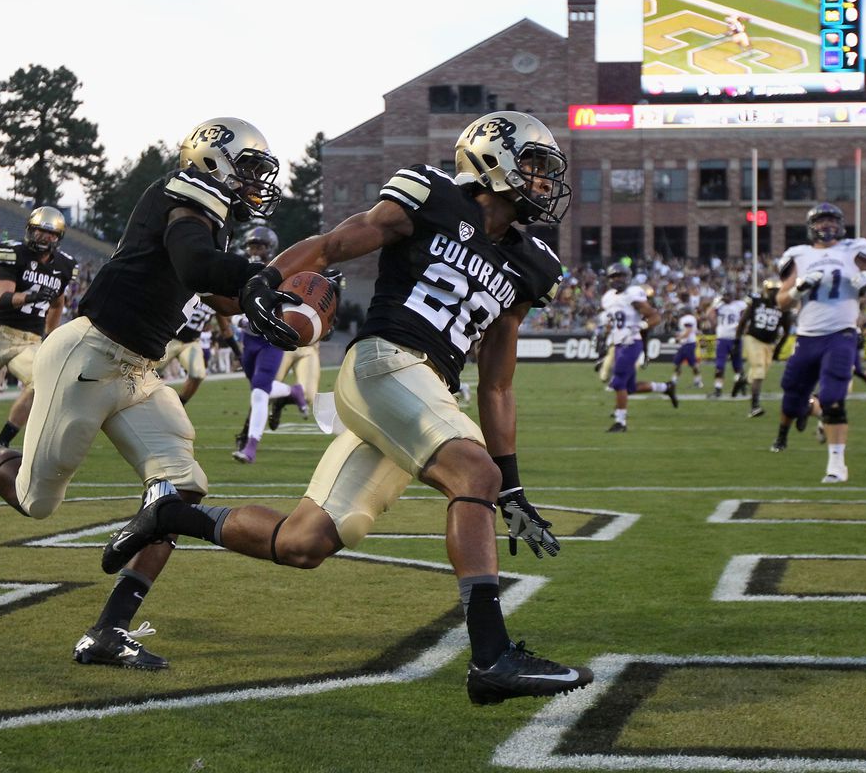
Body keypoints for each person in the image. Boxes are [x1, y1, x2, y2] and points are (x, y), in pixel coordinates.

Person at [101, 110, 593, 705]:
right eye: (537, 168)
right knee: (474, 472)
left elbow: (498, 386)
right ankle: (492, 658)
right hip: (384, 363)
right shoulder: (431, 195)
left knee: (303, 543)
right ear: (494, 160)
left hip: (432, 388)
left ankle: (170, 517)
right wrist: (264, 280)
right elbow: (336, 241)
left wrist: (512, 486)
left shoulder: (532, 262)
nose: (545, 183)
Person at [0, 116, 283, 669]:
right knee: (34, 500)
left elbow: (216, 287)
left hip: (138, 372)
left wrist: (288, 290)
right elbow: (196, 262)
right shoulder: (184, 196)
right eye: (249, 167)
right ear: (213, 160)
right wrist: (263, 279)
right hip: (89, 357)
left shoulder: (214, 221)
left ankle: (108, 630)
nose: (256, 180)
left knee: (180, 490)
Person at [769, 202, 866, 482]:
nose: (826, 226)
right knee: (791, 399)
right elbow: (780, 300)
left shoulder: (853, 249)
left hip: (841, 333)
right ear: (810, 227)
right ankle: (788, 429)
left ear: (840, 224)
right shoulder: (798, 255)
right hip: (807, 336)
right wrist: (798, 289)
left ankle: (837, 464)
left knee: (833, 397)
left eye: (831, 221)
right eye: (820, 221)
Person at [0, 207, 77, 446]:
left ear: (57, 238)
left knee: (43, 384)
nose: (42, 237)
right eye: (38, 231)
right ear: (30, 230)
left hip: (29, 340)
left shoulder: (64, 266)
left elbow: (58, 305)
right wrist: (30, 297)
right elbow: (2, 297)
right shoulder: (14, 253)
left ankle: (2, 441)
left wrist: (49, 336)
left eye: (48, 234)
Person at [230, 225, 308, 462]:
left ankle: (251, 446)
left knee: (259, 392)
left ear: (270, 248)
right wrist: (238, 320)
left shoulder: (280, 272)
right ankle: (293, 391)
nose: (255, 250)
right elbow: (231, 303)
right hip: (249, 341)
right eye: (252, 245)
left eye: (259, 246)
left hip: (269, 340)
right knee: (259, 387)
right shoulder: (242, 270)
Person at [600, 262, 676, 432]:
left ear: (627, 277)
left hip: (631, 342)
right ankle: (666, 387)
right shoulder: (608, 297)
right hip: (619, 343)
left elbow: (655, 316)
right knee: (630, 387)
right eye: (614, 276)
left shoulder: (632, 294)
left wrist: (642, 326)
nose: (617, 279)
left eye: (620, 275)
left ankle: (620, 422)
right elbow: (610, 322)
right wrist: (605, 333)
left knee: (618, 382)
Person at [268, 266, 346, 431]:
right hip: (283, 345)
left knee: (309, 395)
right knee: (264, 389)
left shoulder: (331, 302)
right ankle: (246, 435)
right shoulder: (303, 287)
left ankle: (280, 403)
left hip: (309, 349)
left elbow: (328, 333)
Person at [736, 278, 791, 417]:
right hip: (753, 338)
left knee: (760, 373)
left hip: (769, 343)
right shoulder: (756, 301)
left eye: (777, 291)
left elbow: (786, 331)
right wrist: (737, 340)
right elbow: (743, 321)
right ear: (767, 291)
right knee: (759, 370)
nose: (775, 293)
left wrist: (778, 348)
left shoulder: (783, 307)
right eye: (772, 291)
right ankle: (754, 407)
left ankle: (743, 380)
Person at [154, 299, 221, 405]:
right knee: (148, 372)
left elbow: (226, 328)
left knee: (198, 374)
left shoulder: (218, 300)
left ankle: (180, 404)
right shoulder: (191, 288)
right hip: (170, 339)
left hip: (191, 342)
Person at [707, 289, 748, 400]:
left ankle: (741, 386)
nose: (727, 297)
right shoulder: (719, 305)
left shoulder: (739, 304)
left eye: (728, 295)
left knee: (737, 366)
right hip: (722, 338)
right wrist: (715, 306)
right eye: (725, 295)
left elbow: (746, 316)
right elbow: (709, 314)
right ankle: (718, 389)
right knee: (720, 366)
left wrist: (742, 327)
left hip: (735, 338)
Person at [671, 309, 703, 388]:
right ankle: (674, 381)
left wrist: (677, 338)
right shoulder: (691, 318)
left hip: (688, 344)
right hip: (686, 344)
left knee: (692, 364)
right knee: (677, 362)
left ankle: (698, 381)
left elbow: (688, 332)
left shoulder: (687, 318)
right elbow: (691, 331)